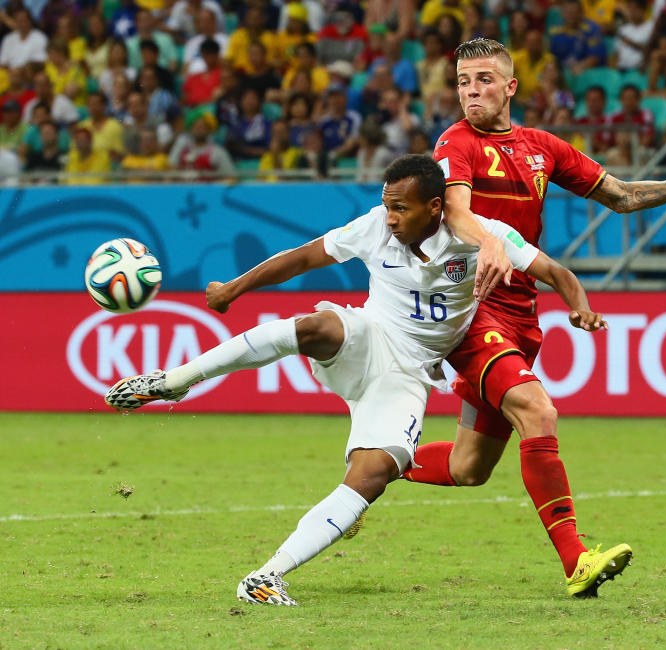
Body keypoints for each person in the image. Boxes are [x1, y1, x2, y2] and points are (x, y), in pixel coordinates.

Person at [103, 155, 606, 606]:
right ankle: (173, 381)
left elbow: (556, 272)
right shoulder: (374, 228)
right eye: (386, 205)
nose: (390, 217)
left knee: (372, 476)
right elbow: (303, 257)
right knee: (316, 326)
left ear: (435, 207)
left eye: (400, 208)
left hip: (407, 374)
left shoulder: (484, 236)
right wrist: (235, 288)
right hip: (369, 336)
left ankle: (266, 576)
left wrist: (579, 305)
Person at [405, 38, 666, 597]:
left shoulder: (542, 146)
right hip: (472, 306)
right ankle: (577, 559)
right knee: (537, 409)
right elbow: (455, 210)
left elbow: (621, 197)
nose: (470, 91)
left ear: (510, 87)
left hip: (522, 313)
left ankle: (375, 465)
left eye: (482, 80)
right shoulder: (454, 143)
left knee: (468, 467)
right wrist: (490, 243)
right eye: (461, 81)